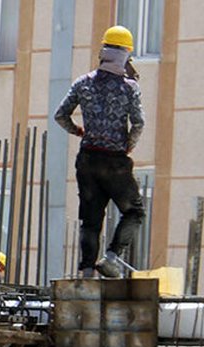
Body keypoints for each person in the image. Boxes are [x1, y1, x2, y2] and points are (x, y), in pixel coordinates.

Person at [54, 25, 146, 279]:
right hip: (115, 162)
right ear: (127, 54)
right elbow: (139, 123)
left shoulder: (83, 83)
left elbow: (60, 115)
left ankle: (86, 272)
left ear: (102, 51)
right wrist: (129, 144)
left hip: (88, 160)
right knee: (134, 211)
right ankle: (111, 258)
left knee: (91, 221)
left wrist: (78, 131)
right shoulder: (129, 88)